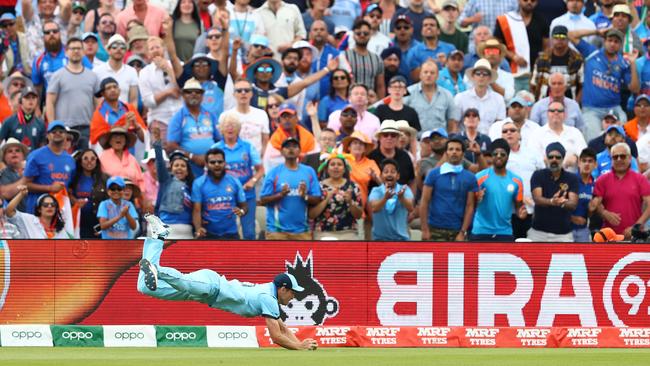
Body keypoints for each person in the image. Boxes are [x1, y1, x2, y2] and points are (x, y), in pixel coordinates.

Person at [136, 215, 319, 350]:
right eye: (293, 292)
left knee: (143, 286)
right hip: (212, 285)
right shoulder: (268, 298)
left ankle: (157, 238)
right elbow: (276, 336)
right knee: (184, 282)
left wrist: (299, 343)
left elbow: (283, 328)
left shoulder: (270, 298)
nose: (294, 296)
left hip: (203, 295)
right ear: (283, 289)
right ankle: (156, 269)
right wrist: (300, 347)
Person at [568, 28, 639, 142]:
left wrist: (633, 63)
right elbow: (571, 35)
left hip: (614, 108)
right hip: (592, 109)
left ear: (620, 45)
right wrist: (596, 32)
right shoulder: (592, 52)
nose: (612, 44)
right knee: (593, 141)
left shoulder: (623, 63)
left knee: (622, 130)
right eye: (610, 40)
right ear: (604, 41)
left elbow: (635, 89)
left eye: (616, 42)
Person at [214, 114, 264, 240]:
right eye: (227, 126)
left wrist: (252, 181)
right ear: (221, 129)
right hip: (224, 197)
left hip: (247, 195)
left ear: (238, 129)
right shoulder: (215, 149)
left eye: (233, 126)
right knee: (224, 233)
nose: (230, 128)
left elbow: (260, 169)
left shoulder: (248, 147)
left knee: (249, 232)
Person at [260, 137, 321, 240]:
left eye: (294, 146)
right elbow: (263, 200)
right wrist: (281, 195)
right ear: (281, 151)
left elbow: (317, 198)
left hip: (302, 231)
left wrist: (304, 196)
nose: (291, 149)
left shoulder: (309, 171)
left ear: (300, 151)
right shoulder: (273, 172)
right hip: (277, 232)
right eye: (287, 147)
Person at [46, 37, 100, 150]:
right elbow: (50, 102)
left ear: (84, 52)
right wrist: (52, 127)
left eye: (79, 48)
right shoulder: (57, 76)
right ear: (66, 52)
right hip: (64, 129)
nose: (76, 51)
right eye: (72, 48)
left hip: (86, 128)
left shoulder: (93, 76)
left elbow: (98, 104)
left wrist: (96, 126)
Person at [420, 137, 478, 241]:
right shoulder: (433, 174)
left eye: (457, 149)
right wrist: (425, 229)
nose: (454, 152)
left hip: (457, 230)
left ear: (463, 154)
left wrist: (463, 232)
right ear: (446, 153)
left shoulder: (470, 177)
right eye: (451, 149)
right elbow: (424, 202)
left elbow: (470, 206)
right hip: (434, 228)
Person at [591, 142, 650, 239]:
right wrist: (604, 213)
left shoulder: (640, 179)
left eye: (622, 156)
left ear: (630, 158)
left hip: (633, 237)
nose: (619, 159)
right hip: (608, 237)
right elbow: (595, 204)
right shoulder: (602, 180)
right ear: (611, 159)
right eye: (615, 157)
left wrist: (636, 226)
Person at [471, 138, 526, 241]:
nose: (499, 156)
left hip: (504, 232)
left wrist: (521, 213)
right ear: (492, 156)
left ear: (508, 156)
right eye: (495, 154)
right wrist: (477, 199)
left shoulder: (516, 180)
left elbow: (519, 206)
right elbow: (470, 204)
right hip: (481, 231)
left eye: (503, 154)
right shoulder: (480, 177)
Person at [167, 78, 222, 177]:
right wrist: (193, 157)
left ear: (202, 95)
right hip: (189, 167)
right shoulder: (178, 117)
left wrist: (213, 157)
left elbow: (219, 139)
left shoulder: (210, 115)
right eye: (189, 92)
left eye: (197, 92)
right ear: (183, 95)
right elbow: (171, 145)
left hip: (212, 166)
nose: (193, 94)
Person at [191, 147, 247, 239]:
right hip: (208, 234)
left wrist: (241, 211)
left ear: (225, 163)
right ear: (206, 164)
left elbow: (244, 206)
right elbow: (196, 210)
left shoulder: (234, 181)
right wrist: (198, 229)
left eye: (220, 162)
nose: (217, 164)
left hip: (231, 234)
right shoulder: (199, 183)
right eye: (212, 162)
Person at [501, 120, 545, 239]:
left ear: (519, 134)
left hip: (532, 209)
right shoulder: (499, 157)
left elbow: (543, 177)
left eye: (512, 130)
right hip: (508, 211)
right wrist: (520, 198)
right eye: (505, 131)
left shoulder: (532, 153)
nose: (509, 133)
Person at [527, 142, 579, 242]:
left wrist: (562, 203)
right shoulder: (538, 175)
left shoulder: (572, 178)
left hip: (563, 234)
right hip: (538, 233)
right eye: (551, 157)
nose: (554, 160)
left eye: (558, 157)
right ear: (546, 158)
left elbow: (573, 204)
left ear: (563, 159)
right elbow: (537, 199)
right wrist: (552, 201)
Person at [494, 0, 549, 92]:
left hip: (534, 72)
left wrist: (540, 61)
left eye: (533, 0)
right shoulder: (506, 20)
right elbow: (497, 43)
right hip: (511, 70)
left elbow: (546, 46)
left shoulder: (542, 20)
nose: (529, 2)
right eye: (525, 0)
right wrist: (513, 56)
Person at [23, 120, 76, 214]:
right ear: (47, 135)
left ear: (66, 135)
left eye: (61, 131)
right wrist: (50, 188)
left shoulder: (70, 160)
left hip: (60, 210)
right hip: (37, 209)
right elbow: (26, 184)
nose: (57, 133)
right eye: (54, 132)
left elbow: (70, 186)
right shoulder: (36, 156)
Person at [138, 36, 183, 144]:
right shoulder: (144, 73)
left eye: (157, 47)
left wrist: (168, 69)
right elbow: (148, 102)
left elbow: (184, 90)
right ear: (148, 54)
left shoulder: (179, 65)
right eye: (151, 49)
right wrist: (168, 92)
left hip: (181, 119)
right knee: (161, 157)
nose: (155, 50)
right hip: (159, 120)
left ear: (164, 49)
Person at [309, 153, 363, 240]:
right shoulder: (318, 186)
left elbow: (359, 215)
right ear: (327, 169)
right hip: (323, 233)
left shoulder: (353, 186)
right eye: (332, 164)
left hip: (348, 232)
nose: (336, 167)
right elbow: (311, 215)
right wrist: (326, 199)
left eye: (339, 164)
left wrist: (350, 202)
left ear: (345, 169)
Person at [89, 77, 147, 151]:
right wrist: (125, 127)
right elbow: (101, 143)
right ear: (103, 93)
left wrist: (137, 126)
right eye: (109, 88)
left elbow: (144, 139)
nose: (113, 90)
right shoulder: (99, 114)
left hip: (130, 156)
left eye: (115, 87)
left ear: (119, 91)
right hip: (108, 158)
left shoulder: (129, 109)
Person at [530, 26, 583, 100]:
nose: (559, 40)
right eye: (556, 37)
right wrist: (536, 103)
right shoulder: (542, 59)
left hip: (569, 101)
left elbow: (582, 85)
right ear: (551, 39)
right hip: (544, 101)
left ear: (568, 40)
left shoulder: (577, 59)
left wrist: (575, 103)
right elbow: (533, 84)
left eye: (563, 37)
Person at [454, 58, 506, 135]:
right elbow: (455, 123)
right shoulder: (460, 98)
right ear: (473, 76)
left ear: (489, 78)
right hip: (465, 141)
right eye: (478, 73)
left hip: (490, 142)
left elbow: (500, 126)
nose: (481, 76)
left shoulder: (498, 99)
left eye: (485, 74)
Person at [405, 59, 459, 132]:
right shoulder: (408, 92)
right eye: (425, 72)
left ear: (437, 76)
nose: (428, 75)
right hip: (416, 140)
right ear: (420, 75)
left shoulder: (447, 95)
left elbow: (452, 121)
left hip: (440, 140)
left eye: (432, 73)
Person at [533, 100, 587, 172]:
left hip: (571, 177)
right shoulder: (537, 133)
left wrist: (577, 157)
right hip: (545, 177)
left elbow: (585, 154)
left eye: (560, 111)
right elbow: (532, 157)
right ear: (547, 114)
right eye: (552, 111)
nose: (556, 113)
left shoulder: (575, 132)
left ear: (565, 115)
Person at [368, 158, 414, 240]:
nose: (389, 174)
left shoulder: (404, 189)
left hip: (401, 239)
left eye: (393, 172)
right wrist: (385, 198)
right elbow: (374, 208)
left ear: (398, 176)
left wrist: (401, 197)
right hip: (379, 240)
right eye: (386, 172)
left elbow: (410, 208)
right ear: (381, 176)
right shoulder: (376, 191)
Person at [264, 103, 318, 171]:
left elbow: (315, 156)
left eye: (289, 116)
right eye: (284, 117)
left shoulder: (307, 136)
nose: (287, 119)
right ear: (279, 120)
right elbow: (270, 162)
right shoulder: (275, 139)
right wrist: (300, 156)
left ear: (296, 118)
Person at [223, 78, 270, 157]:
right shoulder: (225, 116)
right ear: (234, 94)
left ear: (251, 94)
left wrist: (261, 161)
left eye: (246, 90)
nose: (243, 93)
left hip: (256, 161)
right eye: (239, 91)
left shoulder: (262, 114)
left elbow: (265, 141)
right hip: (234, 161)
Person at [5, 185, 73, 239]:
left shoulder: (61, 229)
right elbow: (9, 211)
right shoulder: (28, 220)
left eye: (53, 205)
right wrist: (21, 194)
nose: (49, 206)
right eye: (45, 205)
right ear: (39, 209)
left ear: (56, 209)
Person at [69, 149, 109, 239]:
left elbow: (109, 201)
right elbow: (67, 193)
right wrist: (75, 201)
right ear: (80, 161)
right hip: (78, 221)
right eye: (85, 158)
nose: (89, 161)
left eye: (92, 158)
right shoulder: (74, 177)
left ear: (96, 161)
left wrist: (105, 224)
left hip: (97, 221)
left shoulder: (104, 178)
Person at [344, 19, 385, 98]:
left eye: (365, 33)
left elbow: (380, 86)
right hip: (349, 101)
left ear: (370, 35)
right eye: (358, 33)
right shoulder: (345, 56)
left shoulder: (377, 59)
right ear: (353, 35)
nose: (362, 35)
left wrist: (380, 104)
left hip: (370, 102)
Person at [369, 120, 415, 190]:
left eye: (393, 135)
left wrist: (411, 198)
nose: (389, 138)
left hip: (402, 199)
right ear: (379, 138)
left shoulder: (405, 156)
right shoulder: (371, 157)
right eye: (385, 135)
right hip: (376, 199)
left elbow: (412, 181)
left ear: (397, 138)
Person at [93, 34, 139, 105]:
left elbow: (133, 100)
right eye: (114, 47)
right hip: (104, 114)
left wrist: (131, 115)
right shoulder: (97, 71)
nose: (118, 49)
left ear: (126, 51)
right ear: (108, 50)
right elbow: (95, 99)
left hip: (125, 115)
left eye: (122, 47)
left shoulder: (131, 71)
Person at [408, 14, 456, 81]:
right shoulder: (414, 51)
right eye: (425, 25)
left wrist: (446, 63)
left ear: (438, 31)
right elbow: (414, 77)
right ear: (422, 31)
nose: (428, 27)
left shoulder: (450, 48)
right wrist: (426, 66)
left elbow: (457, 72)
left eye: (432, 25)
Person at [0, 87, 46, 151]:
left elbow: (42, 148)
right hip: (14, 159)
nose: (31, 100)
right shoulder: (9, 122)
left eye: (33, 98)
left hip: (33, 159)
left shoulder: (40, 123)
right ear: (20, 101)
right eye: (27, 98)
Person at [572, 148, 597, 242]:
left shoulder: (595, 185)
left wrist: (591, 210)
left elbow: (591, 212)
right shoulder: (570, 180)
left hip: (583, 230)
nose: (587, 164)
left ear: (595, 165)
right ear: (578, 163)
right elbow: (558, 206)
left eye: (590, 161)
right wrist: (572, 218)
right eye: (584, 161)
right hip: (565, 229)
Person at [0, 139, 29, 212]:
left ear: (23, 155)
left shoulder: (32, 169)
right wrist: (26, 179)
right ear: (4, 157)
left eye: (17, 150)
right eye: (10, 151)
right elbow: (5, 193)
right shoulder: (3, 173)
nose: (14, 153)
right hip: (13, 217)